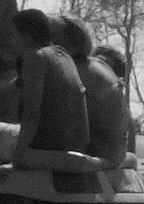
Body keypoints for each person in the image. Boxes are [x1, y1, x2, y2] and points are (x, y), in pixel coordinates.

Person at [0, 9, 106, 173]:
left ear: (26, 37)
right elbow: (11, 86)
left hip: (49, 146)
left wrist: (15, 163)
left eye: (13, 35)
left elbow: (32, 115)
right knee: (5, 132)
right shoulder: (61, 55)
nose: (11, 41)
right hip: (75, 144)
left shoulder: (34, 57)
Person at [53, 17, 131, 164]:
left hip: (93, 152)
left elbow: (69, 129)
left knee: (1, 134)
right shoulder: (96, 67)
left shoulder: (70, 73)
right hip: (114, 152)